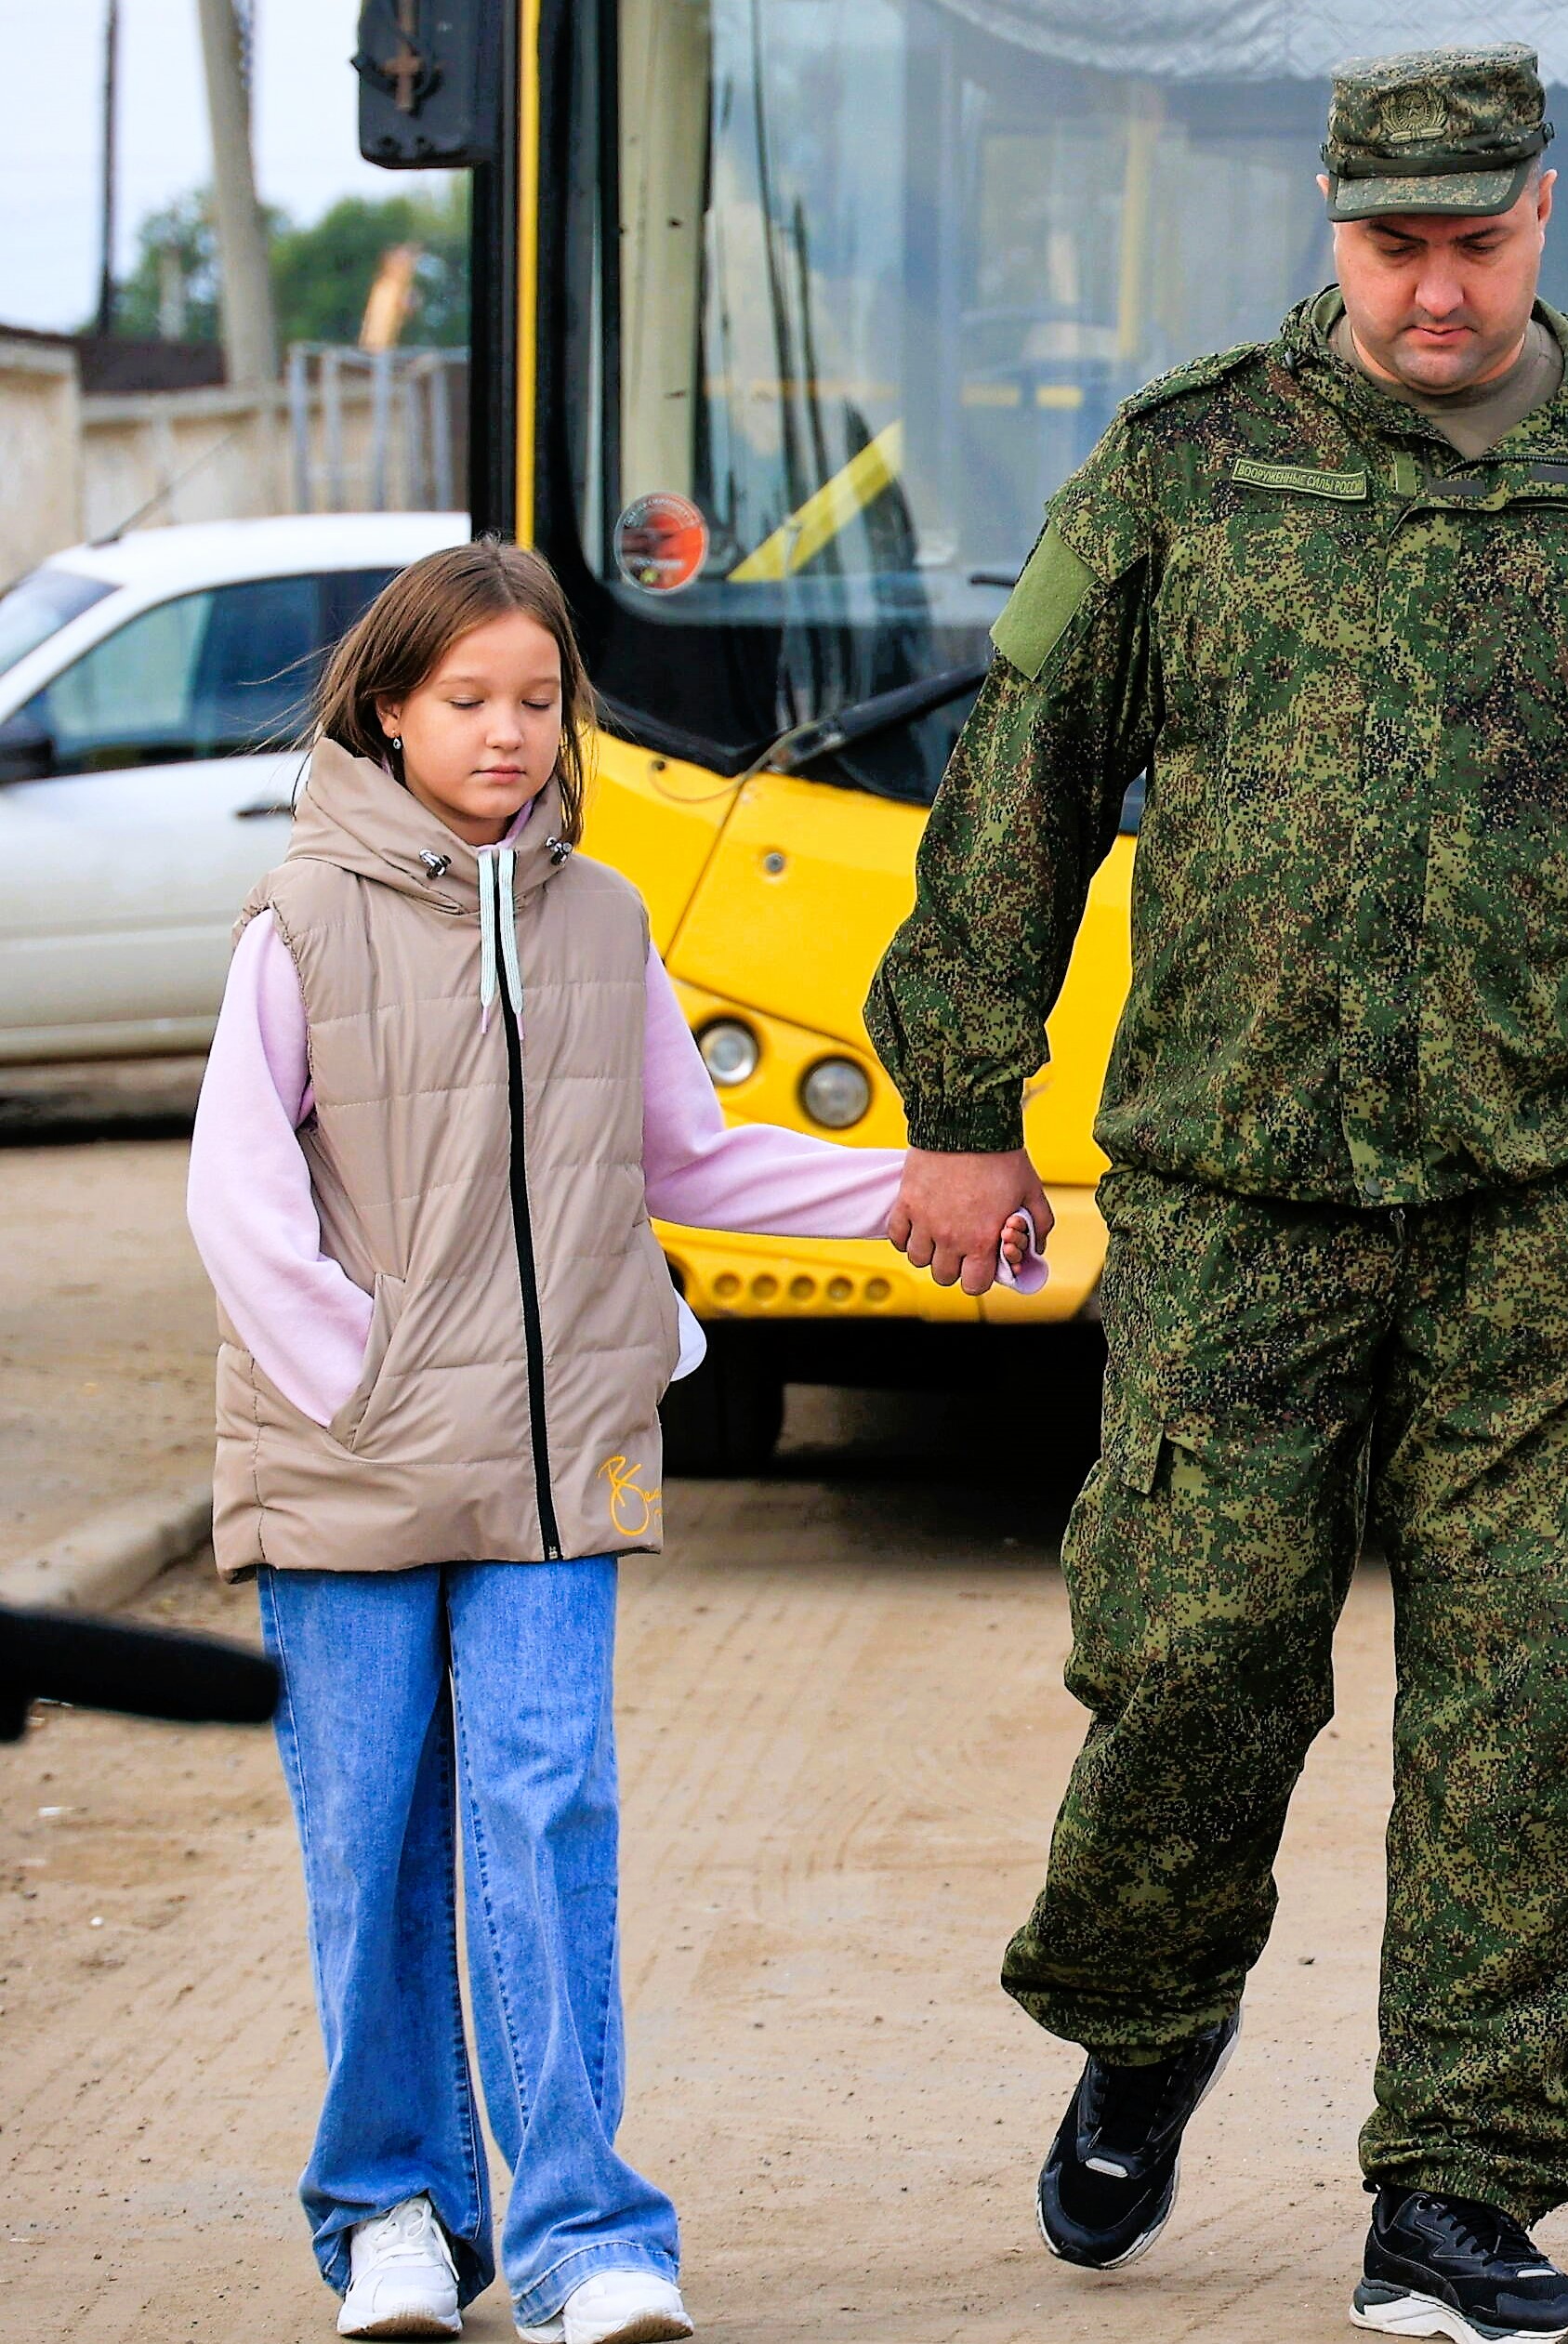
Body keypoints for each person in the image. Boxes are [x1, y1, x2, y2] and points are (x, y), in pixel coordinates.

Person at [865, 43, 1568, 2344]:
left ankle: (1456, 2194)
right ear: (1331, 229)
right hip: (1238, 1201)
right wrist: (962, 1096)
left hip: (1558, 1214)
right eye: (1394, 245)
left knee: (1539, 1705)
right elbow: (1021, 781)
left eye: (1476, 243)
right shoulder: (1191, 465)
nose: (1436, 290)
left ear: (1545, 215)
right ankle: (1148, 2011)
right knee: (1190, 1665)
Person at [184, 545, 1029, 2344]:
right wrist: (361, 1383)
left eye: (537, 699)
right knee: (371, 1837)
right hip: (349, 1455)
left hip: (559, 1459)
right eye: (465, 700)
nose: (505, 733)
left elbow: (692, 1156)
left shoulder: (604, 918)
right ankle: (395, 2214)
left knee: (544, 1802)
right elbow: (239, 1204)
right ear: (389, 710)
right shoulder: (297, 921)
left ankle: (583, 2234)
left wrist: (911, 1194)